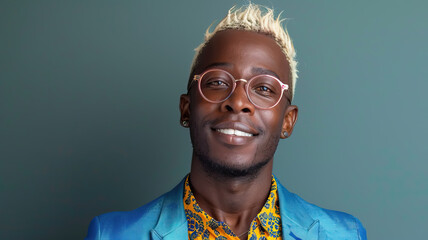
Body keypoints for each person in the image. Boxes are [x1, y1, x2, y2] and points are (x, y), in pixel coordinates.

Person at [85, 4, 367, 240]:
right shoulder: (112, 235)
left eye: (264, 88)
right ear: (186, 109)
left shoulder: (345, 234)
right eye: (218, 82)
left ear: (288, 121)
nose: (239, 101)